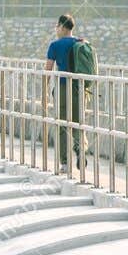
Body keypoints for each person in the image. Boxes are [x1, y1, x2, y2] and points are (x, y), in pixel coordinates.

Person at [44, 13, 83, 170]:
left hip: (63, 87)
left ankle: (65, 163)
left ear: (62, 26)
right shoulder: (81, 43)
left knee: (62, 125)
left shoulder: (55, 45)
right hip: (80, 89)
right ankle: (81, 150)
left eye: (56, 26)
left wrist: (44, 94)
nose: (56, 29)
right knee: (78, 123)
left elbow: (48, 70)